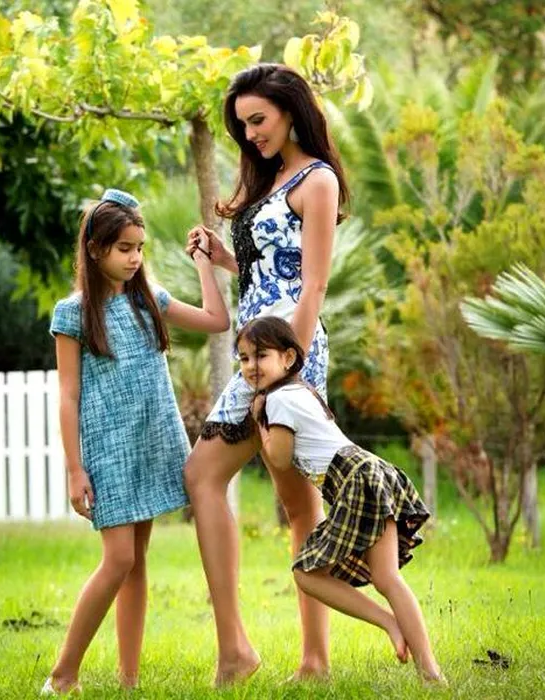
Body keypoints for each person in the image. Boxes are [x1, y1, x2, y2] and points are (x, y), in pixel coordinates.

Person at [183, 62, 350, 685]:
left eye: (259, 120)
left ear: (290, 110)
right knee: (263, 493)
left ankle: (311, 661)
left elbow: (312, 286)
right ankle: (241, 650)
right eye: (243, 126)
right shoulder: (270, 178)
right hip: (258, 355)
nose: (251, 134)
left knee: (290, 501)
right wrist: (220, 255)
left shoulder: (317, 180)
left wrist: (288, 373)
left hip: (289, 357)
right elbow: (267, 272)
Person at [42, 189, 229, 694]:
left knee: (136, 562)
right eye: (124, 248)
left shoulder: (150, 300)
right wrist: (75, 469)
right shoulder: (72, 314)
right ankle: (62, 674)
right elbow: (68, 396)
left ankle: (128, 680)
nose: (134, 258)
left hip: (152, 440)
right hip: (108, 450)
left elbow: (218, 321)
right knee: (119, 558)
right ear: (95, 248)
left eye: (140, 248)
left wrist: (205, 265)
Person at [239, 316, 443, 683]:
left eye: (261, 355)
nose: (252, 366)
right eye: (244, 358)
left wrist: (260, 423)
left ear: (288, 358)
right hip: (371, 470)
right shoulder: (301, 391)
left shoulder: (277, 401)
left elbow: (280, 459)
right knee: (387, 578)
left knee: (306, 573)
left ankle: (389, 622)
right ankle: (430, 672)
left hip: (352, 478)